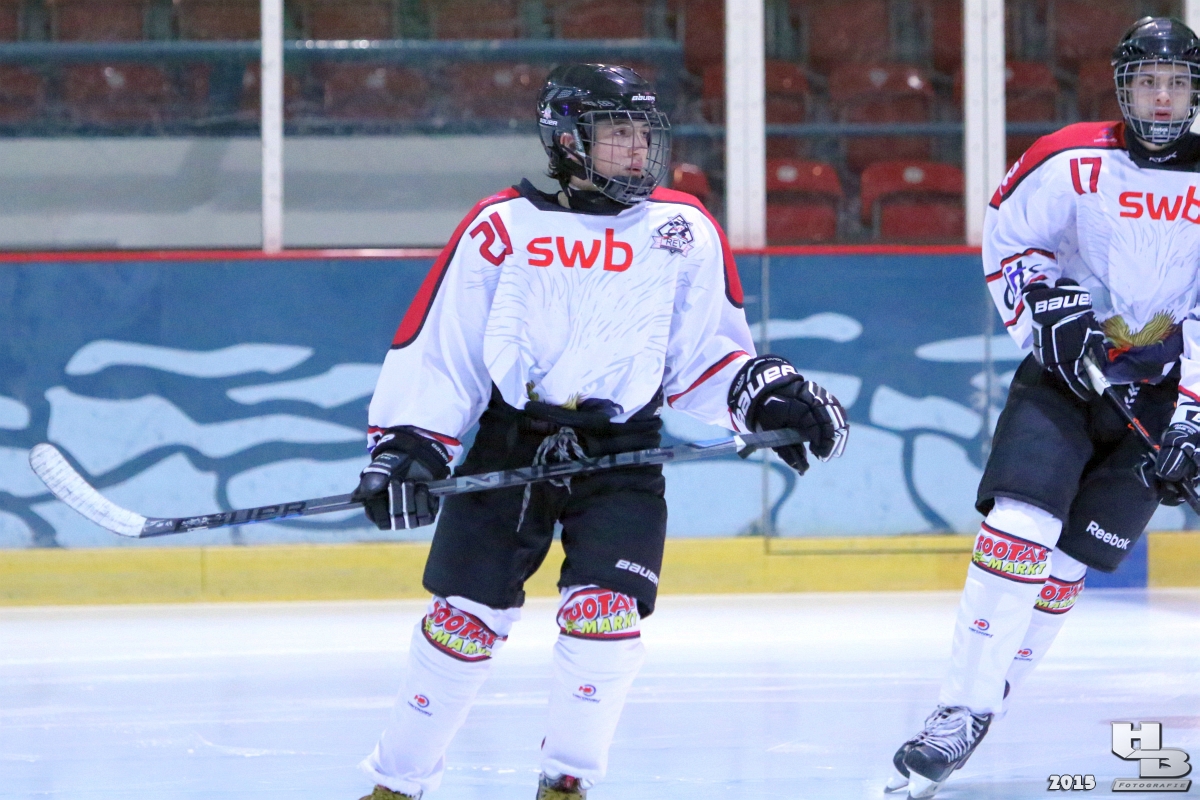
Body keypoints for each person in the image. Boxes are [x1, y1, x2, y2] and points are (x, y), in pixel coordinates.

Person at [350, 63, 849, 800]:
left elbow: (703, 357)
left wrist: (766, 397)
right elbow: (444, 351)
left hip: (622, 450)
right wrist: (409, 446)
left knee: (605, 614)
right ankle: (397, 783)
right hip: (512, 440)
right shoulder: (503, 226)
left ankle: (567, 784)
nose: (637, 149)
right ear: (566, 140)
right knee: (464, 620)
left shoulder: (682, 229)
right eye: (617, 132)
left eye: (643, 133)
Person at [887, 17, 1200, 800]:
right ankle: (959, 709)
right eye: (1148, 82)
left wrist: (1194, 419)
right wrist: (1045, 308)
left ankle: (986, 702)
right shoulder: (1069, 159)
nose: (1162, 98)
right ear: (1123, 87)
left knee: (1066, 565)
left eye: (1177, 83)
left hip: (1161, 397)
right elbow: (1011, 238)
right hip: (1064, 379)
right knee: (1019, 524)